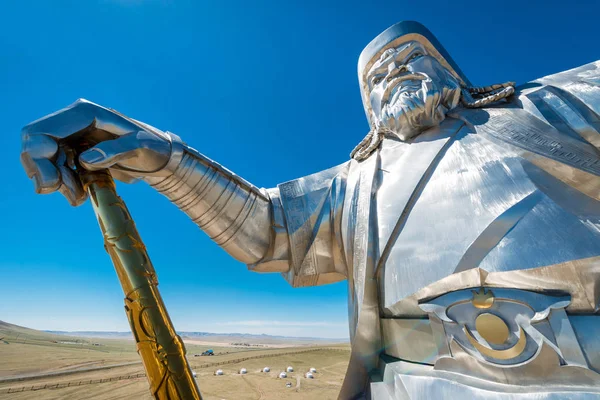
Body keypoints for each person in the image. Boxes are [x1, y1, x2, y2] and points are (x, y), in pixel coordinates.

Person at [20, 21, 600, 399]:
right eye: (376, 75)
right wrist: (166, 158)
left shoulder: (549, 108)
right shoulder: (359, 182)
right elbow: (269, 229)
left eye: (409, 55)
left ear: (452, 72)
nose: (392, 72)